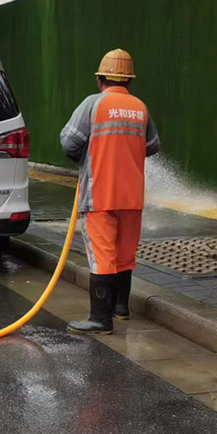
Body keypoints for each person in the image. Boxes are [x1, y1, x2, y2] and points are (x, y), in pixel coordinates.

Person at [59, 49, 160, 335]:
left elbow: (69, 143)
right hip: (132, 197)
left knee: (102, 255)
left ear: (100, 79)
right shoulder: (140, 108)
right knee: (125, 253)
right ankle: (120, 308)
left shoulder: (93, 104)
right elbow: (152, 147)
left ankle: (100, 319)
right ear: (129, 81)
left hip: (100, 195)